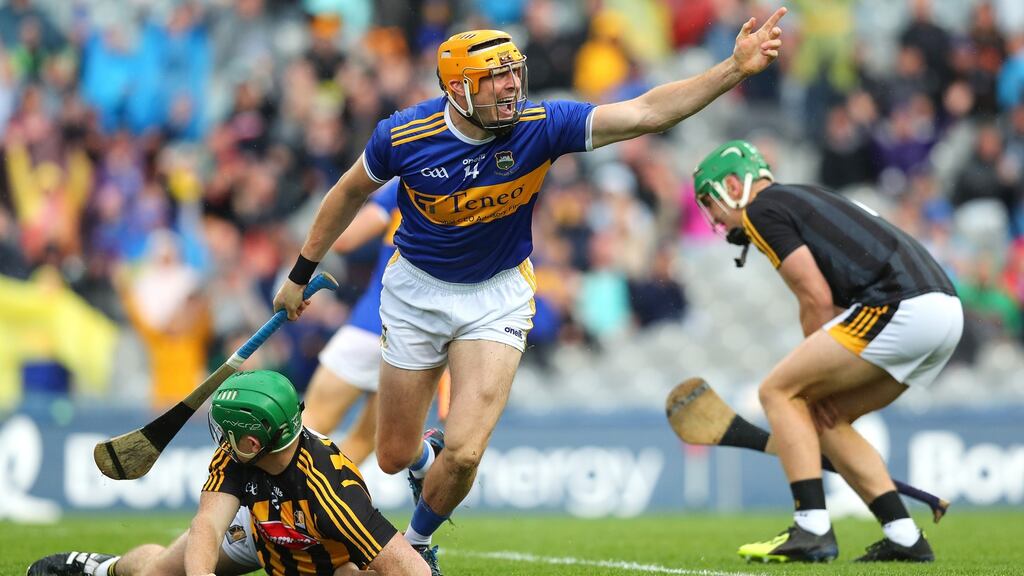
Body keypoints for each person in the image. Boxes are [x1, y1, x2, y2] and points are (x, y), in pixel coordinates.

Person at [274, 15, 786, 575]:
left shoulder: (542, 125)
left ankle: (418, 544)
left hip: (498, 294)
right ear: (456, 88)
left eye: (513, 74)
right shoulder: (402, 134)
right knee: (394, 455)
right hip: (415, 294)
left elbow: (646, 111)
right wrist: (300, 274)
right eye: (493, 79)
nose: (511, 86)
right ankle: (424, 458)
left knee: (466, 452)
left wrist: (734, 69)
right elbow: (346, 194)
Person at [692, 140, 962, 563]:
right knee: (826, 418)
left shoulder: (763, 209)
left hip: (902, 304)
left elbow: (815, 298)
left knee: (778, 392)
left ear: (732, 184)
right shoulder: (804, 197)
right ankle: (906, 537)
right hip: (944, 310)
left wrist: (807, 378)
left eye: (711, 203)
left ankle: (811, 529)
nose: (714, 219)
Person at [27, 370, 428, 576]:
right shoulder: (237, 456)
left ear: (254, 442)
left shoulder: (331, 492)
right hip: (259, 529)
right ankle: (104, 568)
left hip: (322, 552)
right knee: (159, 573)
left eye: (227, 432)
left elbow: (410, 567)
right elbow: (207, 525)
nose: (221, 439)